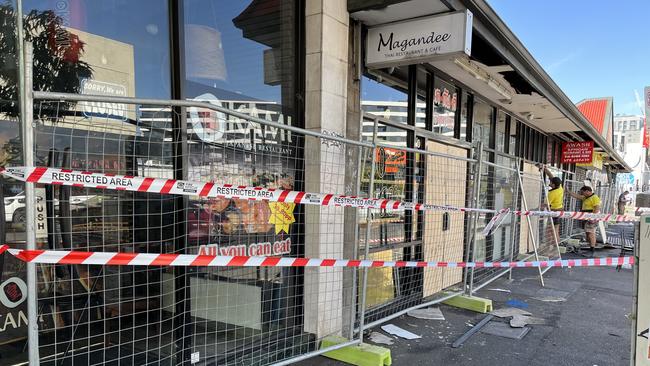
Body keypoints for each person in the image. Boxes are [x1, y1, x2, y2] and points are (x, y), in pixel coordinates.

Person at [568, 186, 601, 256]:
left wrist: (592, 218)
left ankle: (592, 248)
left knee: (591, 233)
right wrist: (568, 191)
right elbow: (577, 196)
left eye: (583, 192)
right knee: (588, 233)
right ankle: (591, 246)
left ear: (587, 191)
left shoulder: (594, 198)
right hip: (587, 217)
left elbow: (597, 208)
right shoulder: (586, 197)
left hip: (591, 218)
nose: (582, 194)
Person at [539, 165, 563, 243]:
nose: (549, 184)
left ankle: (553, 247)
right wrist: (544, 169)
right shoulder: (559, 187)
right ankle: (556, 247)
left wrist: (534, 210)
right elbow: (551, 176)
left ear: (554, 184)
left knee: (551, 230)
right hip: (559, 211)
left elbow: (545, 205)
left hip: (554, 212)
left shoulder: (552, 193)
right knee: (555, 229)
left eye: (551, 183)